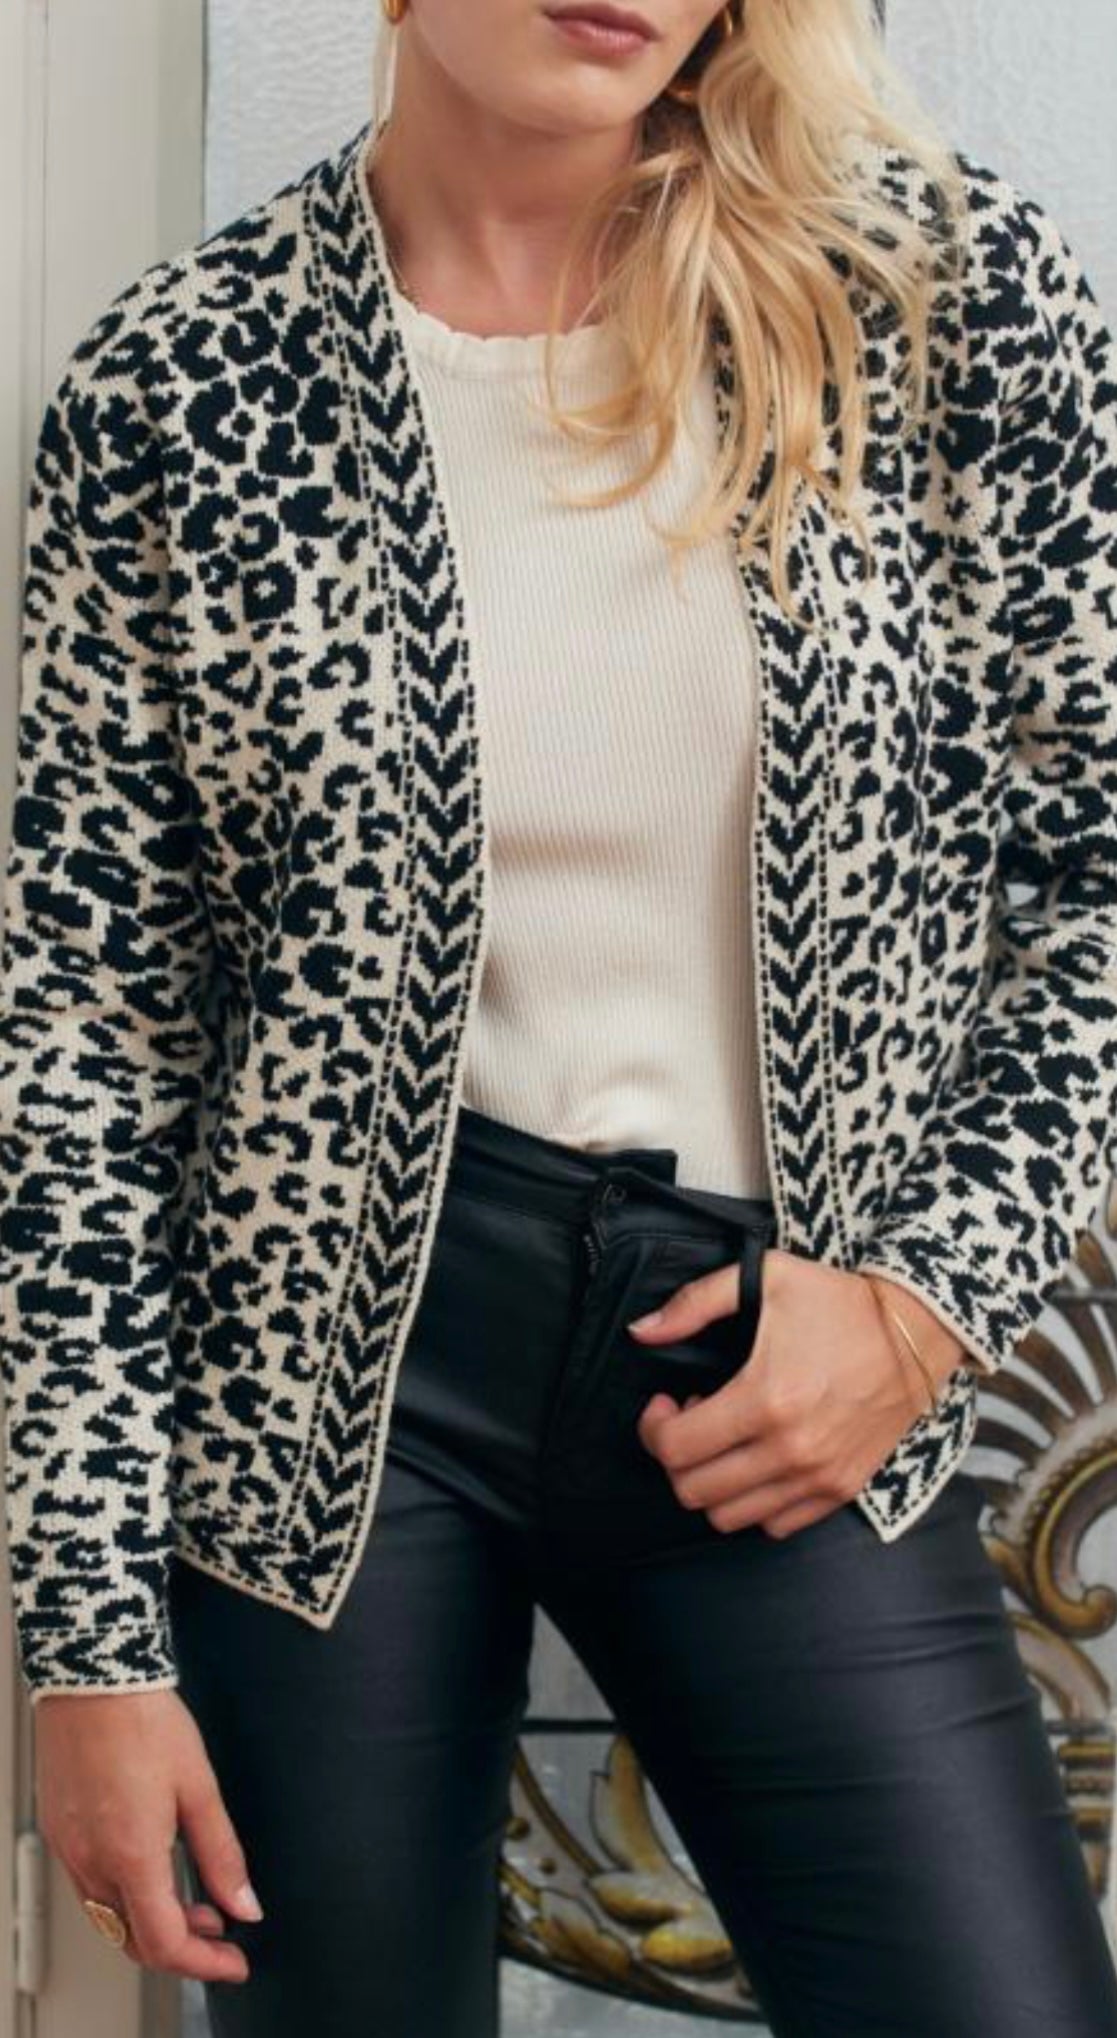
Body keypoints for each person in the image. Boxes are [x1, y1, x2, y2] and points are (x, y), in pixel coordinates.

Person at [2, 0, 1117, 2031]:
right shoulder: (177, 385)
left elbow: (1100, 868)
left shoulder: (926, 304)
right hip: (326, 1403)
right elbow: (82, 1038)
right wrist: (86, 1647)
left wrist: (920, 1300)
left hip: (768, 1354)